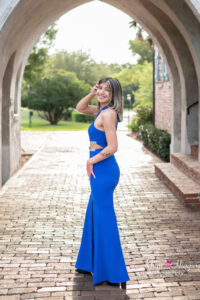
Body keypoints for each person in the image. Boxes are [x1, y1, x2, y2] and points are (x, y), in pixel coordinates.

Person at [75, 77, 130, 289]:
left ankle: (114, 273)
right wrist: (91, 92)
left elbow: (113, 146)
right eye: (100, 89)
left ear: (114, 94)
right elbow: (80, 107)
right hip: (100, 169)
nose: (102, 93)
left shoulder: (108, 113)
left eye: (107, 90)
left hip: (104, 171)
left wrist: (91, 160)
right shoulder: (99, 110)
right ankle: (87, 262)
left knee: (104, 218)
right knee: (93, 213)